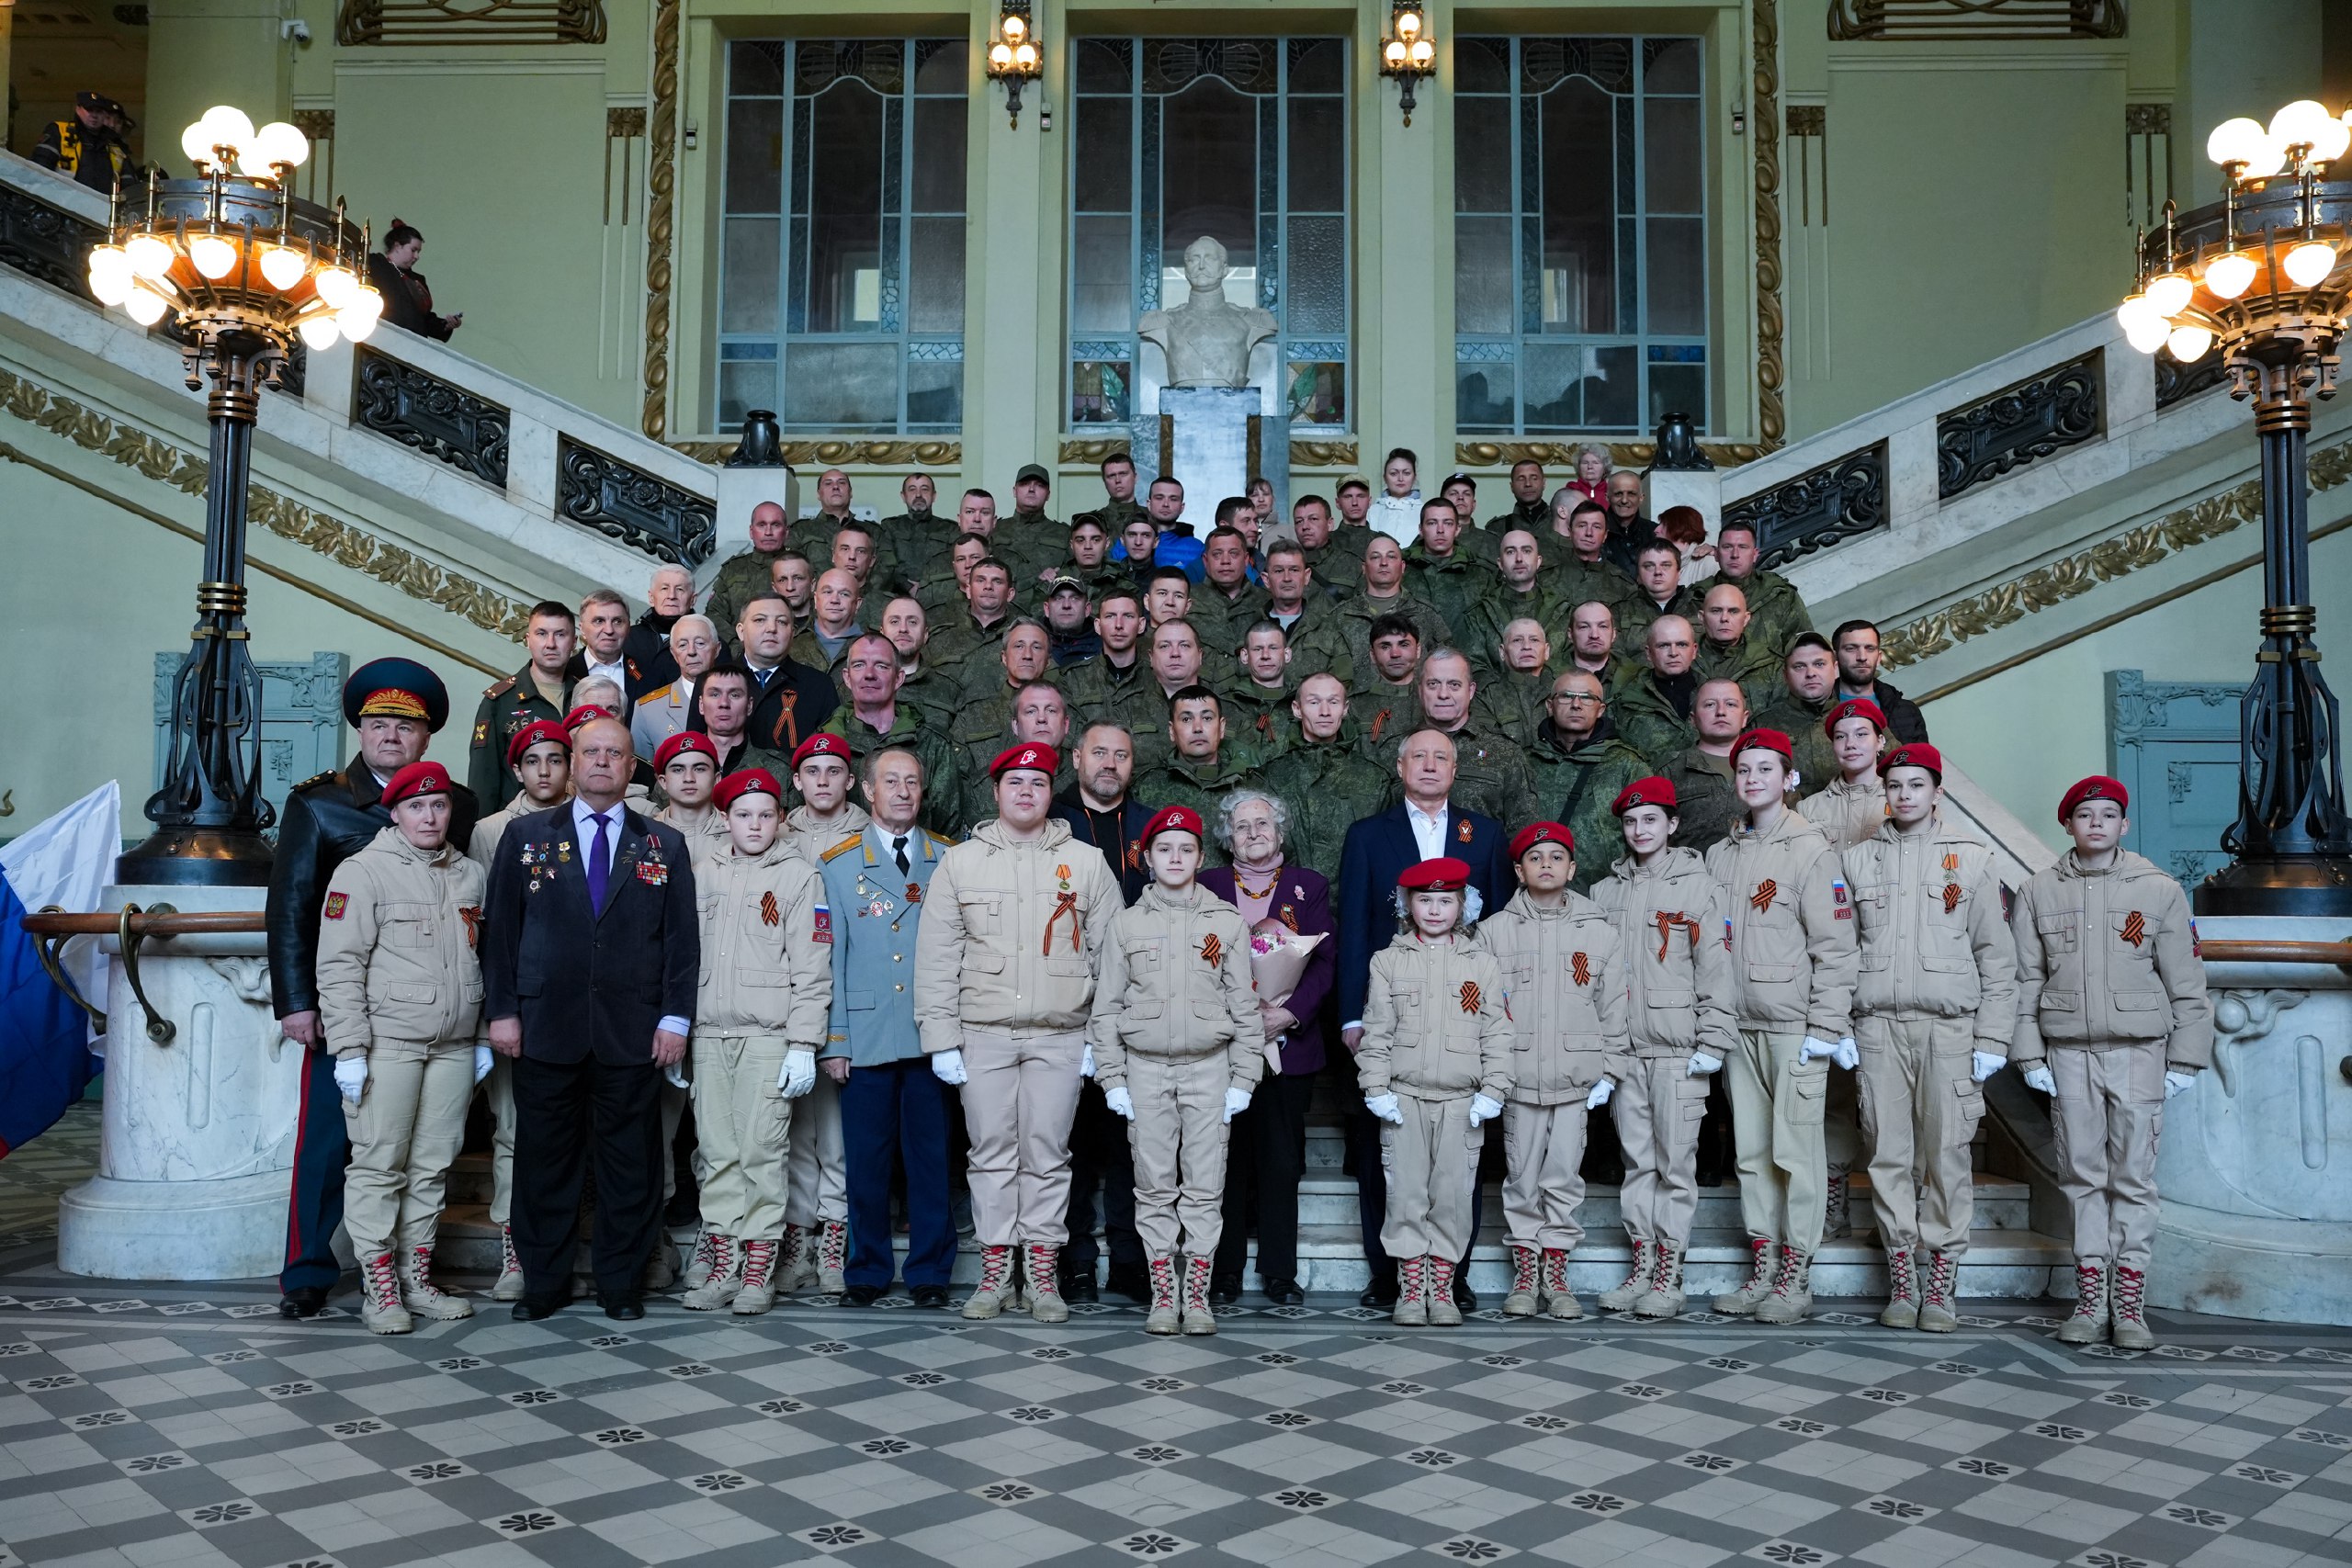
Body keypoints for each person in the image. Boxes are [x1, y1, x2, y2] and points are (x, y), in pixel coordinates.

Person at [271, 660, 480, 1321]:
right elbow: (294, 909)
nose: (391, 734)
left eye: (406, 725)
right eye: (379, 723)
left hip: (437, 1020)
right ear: (360, 730)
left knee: (422, 1153)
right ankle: (308, 1269)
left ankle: (405, 1274)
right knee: (335, 1144)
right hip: (348, 1013)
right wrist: (297, 1001)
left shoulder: (461, 806)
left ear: (426, 738)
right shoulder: (319, 801)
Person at [481, 717, 700, 1322]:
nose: (603, 761)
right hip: (544, 1025)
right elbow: (500, 932)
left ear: (633, 768)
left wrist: (676, 1020)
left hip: (633, 1030)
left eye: (616, 754)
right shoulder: (525, 835)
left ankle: (622, 1284)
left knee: (630, 1168)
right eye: (592, 751)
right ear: (574, 761)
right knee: (543, 1163)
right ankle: (543, 1284)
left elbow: (682, 943)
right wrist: (501, 1011)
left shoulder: (663, 844)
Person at [915, 744, 1125, 1323]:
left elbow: (1113, 959)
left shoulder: (1085, 862)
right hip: (982, 1035)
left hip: (1061, 1035)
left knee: (1048, 1153)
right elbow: (936, 957)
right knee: (989, 1153)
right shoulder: (961, 862)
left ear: (1050, 791)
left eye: (1037, 781)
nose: (1026, 791)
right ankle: (994, 1270)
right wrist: (941, 1040)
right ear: (997, 792)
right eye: (1015, 782)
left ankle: (1041, 1273)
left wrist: (1097, 1041)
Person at [2011, 775, 2211, 1349]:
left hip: (2139, 1051)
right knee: (2080, 1175)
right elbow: (2026, 980)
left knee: (2134, 1178)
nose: (2095, 823)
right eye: (2084, 814)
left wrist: (2186, 1061)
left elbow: (2188, 984)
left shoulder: (2159, 890)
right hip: (2068, 1053)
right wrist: (2027, 1054)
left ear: (2124, 825)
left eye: (2107, 815)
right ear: (2067, 825)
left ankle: (2129, 1302)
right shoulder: (2038, 891)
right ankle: (2090, 1295)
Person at [1841, 741, 2015, 1334]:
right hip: (1878, 1025)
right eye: (1895, 786)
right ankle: (1902, 1273)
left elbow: (1997, 955)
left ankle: (1940, 1279)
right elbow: (1842, 953)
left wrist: (1993, 1034)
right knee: (1887, 1151)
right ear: (1884, 794)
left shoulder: (1971, 860)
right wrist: (1840, 1024)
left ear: (1936, 792)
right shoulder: (1858, 862)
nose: (1905, 795)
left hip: (1950, 1028)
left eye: (1916, 785)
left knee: (1947, 1151)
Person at [1335, 730, 1510, 1311]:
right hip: (1392, 1017)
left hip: (1461, 1020)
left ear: (1456, 768)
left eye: (1441, 757)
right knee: (1386, 1158)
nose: (1430, 766)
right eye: (1419, 756)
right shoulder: (1367, 834)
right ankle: (1392, 1276)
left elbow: (1497, 931)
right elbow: (1355, 928)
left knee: (1456, 1169)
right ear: (1400, 765)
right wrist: (1351, 1015)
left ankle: (1450, 1277)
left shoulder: (1482, 834)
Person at [315, 760, 488, 1334]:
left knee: (433, 1165)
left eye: (439, 805)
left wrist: (483, 1035)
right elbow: (338, 967)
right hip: (387, 1044)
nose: (430, 815)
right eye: (417, 805)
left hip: (455, 1046)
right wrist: (349, 1048)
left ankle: (417, 1277)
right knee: (378, 1163)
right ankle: (380, 1284)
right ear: (395, 813)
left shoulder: (470, 875)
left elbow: (486, 957)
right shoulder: (362, 873)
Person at [1089, 807, 1265, 1334]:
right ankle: (1165, 1295)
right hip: (1145, 1072)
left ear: (1201, 857)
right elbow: (1106, 1010)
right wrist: (1113, 1079)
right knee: (1154, 1187)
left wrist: (1243, 1078)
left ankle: (1199, 1295)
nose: (1175, 858)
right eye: (1164, 849)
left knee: (1206, 1188)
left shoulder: (1226, 922)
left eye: (1186, 849)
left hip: (1209, 1070)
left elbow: (1245, 1007)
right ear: (1146, 859)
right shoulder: (1126, 923)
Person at [1704, 728, 1860, 1325]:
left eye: (1765, 768)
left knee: (1796, 1152)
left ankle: (1796, 1274)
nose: (1752, 778)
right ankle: (1764, 1266)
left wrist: (1827, 1023)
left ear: (1789, 779)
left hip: (1794, 1025)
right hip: (1739, 1028)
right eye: (1744, 769)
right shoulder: (1722, 854)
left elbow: (1837, 949)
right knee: (1752, 1153)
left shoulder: (1812, 850)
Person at [674, 769, 831, 1316]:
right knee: (716, 1154)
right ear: (726, 819)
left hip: (768, 1037)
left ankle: (757, 1270)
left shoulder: (798, 877)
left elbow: (813, 970)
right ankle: (723, 1263)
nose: (756, 824)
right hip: (708, 1035)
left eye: (766, 814)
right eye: (744, 814)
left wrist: (804, 1044)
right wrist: (677, 1027)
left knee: (762, 1153)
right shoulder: (700, 873)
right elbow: (680, 956)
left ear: (780, 819)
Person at [819, 749, 960, 1307]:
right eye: (891, 782)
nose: (902, 791)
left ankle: (929, 1271)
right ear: (867, 792)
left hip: (930, 1037)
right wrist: (834, 1040)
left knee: (932, 1162)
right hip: (866, 1035)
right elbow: (829, 959)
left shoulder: (948, 859)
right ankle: (867, 1270)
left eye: (913, 783)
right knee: (867, 1164)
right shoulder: (838, 863)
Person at [1591, 777, 1736, 1317]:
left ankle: (1670, 1275)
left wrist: (1714, 1038)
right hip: (1626, 1053)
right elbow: (1597, 979)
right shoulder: (1605, 894)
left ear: (1672, 825)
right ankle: (1642, 1266)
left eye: (1650, 819)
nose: (1639, 830)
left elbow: (1718, 968)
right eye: (1630, 822)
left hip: (1679, 1050)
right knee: (1637, 1163)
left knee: (1677, 1165)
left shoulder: (1698, 888)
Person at [1482, 822, 1630, 1321]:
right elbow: (1481, 1007)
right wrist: (1490, 1074)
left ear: (1572, 868)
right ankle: (1525, 1272)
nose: (1546, 865)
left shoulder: (1598, 932)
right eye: (1534, 858)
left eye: (1556, 857)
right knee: (1522, 1177)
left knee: (1564, 1176)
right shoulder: (1493, 932)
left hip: (1575, 1080)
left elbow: (1613, 1008)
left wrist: (1609, 1071)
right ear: (1519, 871)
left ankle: (1556, 1271)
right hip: (1519, 1080)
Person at [1356, 857, 1512, 1326]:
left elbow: (1498, 1033)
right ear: (1408, 905)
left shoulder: (1482, 964)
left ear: (1463, 905)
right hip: (1403, 1099)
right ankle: (1409, 1287)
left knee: (1452, 1194)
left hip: (1462, 1102)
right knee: (1405, 1194)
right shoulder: (1386, 961)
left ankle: (1441, 1286)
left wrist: (1494, 1089)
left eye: (1446, 901)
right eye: (1425, 900)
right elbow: (1377, 1031)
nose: (1435, 910)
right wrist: (1375, 1086)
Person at [1202, 791, 1333, 1307]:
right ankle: (1225, 1270)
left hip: (1288, 1045)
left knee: (1281, 1161)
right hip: (1222, 1046)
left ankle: (1280, 1271)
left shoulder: (1310, 886)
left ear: (1280, 833)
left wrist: (1287, 1013)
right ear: (1227, 838)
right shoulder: (1207, 885)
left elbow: (1324, 962)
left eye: (1264, 824)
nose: (1254, 832)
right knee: (1225, 1162)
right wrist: (1230, 1018)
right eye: (1242, 826)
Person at [463, 719, 569, 1299]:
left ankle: (564, 1240)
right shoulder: (489, 831)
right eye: (533, 760)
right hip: (514, 1005)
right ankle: (516, 1249)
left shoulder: (586, 821)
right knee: (513, 1130)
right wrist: (493, 1013)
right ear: (517, 768)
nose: (546, 770)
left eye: (556, 758)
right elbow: (489, 926)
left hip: (572, 1006)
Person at [1050, 722, 1152, 1303]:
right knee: (1073, 1144)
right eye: (1099, 753)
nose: (1110, 763)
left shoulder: (1149, 825)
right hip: (1065, 1005)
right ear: (1077, 758)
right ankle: (1075, 1260)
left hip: (1136, 1008)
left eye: (1122, 754)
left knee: (1128, 1143)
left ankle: (1132, 1259)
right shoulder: (1052, 818)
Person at [1259, 671, 1396, 881]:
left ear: (1345, 709)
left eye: (1333, 702)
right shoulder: (1272, 775)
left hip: (1354, 902)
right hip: (1289, 900)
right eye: (1314, 702)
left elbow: (1384, 852)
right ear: (1297, 709)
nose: (1325, 712)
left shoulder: (1374, 777)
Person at [819, 633, 959, 835]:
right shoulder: (825, 745)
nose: (869, 674)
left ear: (899, 678)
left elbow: (948, 830)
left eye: (881, 666)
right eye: (859, 665)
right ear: (847, 678)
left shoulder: (931, 744)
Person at [1522, 670, 1646, 893]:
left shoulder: (1626, 764)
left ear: (1601, 710)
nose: (1576, 704)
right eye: (1566, 696)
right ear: (1550, 706)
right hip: (1532, 898)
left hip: (1606, 898)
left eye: (1587, 697)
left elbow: (1648, 837)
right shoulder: (1524, 761)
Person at [469, 603, 579, 807]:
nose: (550, 644)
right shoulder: (500, 701)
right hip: (517, 824)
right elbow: (483, 777)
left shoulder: (586, 695)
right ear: (528, 640)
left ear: (574, 642)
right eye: (541, 634)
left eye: (560, 635)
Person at [1136, 686, 1263, 828]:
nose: (1198, 728)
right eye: (1186, 719)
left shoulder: (1253, 786)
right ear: (1172, 731)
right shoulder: (1145, 788)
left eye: (1207, 718)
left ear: (1222, 727)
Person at [1340, 534, 1453, 690]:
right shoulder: (1340, 616)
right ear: (1364, 568)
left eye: (1391, 557)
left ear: (1402, 567)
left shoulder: (1426, 614)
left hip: (1415, 709)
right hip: (1355, 710)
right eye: (1375, 557)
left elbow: (1448, 668)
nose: (1384, 563)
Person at [736, 591, 839, 754]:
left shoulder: (819, 685)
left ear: (793, 633)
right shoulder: (714, 683)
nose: (771, 628)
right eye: (760, 620)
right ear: (741, 631)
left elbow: (830, 752)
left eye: (782, 622)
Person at [1712, 521, 1812, 662]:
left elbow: (1804, 649)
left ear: (1754, 554)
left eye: (1743, 547)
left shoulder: (1781, 594)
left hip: (1771, 681)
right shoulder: (1697, 596)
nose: (1735, 554)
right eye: (1727, 547)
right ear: (1716, 554)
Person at [1757, 633, 1841, 795]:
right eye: (1799, 666)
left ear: (1835, 669)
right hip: (1788, 818)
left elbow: (1894, 772)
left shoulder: (1860, 719)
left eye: (1819, 664)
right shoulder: (1763, 726)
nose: (1810, 673)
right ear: (1785, 675)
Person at [1612, 615, 1701, 768]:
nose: (1673, 652)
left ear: (1694, 650)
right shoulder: (1626, 698)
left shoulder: (1716, 695)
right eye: (1663, 646)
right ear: (1648, 653)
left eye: (1681, 644)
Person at [1802, 698, 1890, 851]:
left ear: (1880, 741)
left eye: (1861, 734)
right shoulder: (1809, 809)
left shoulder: (1903, 800)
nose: (1850, 744)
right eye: (1840, 737)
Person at [630, 615, 721, 761]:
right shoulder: (647, 709)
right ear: (673, 654)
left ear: (717, 649)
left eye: (700, 643)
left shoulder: (738, 700)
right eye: (683, 645)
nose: (691, 651)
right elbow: (644, 772)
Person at [705, 502, 793, 644]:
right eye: (762, 525)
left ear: (787, 532)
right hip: (738, 655)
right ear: (751, 532)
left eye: (775, 525)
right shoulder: (733, 568)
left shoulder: (800, 568)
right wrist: (735, 646)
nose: (768, 532)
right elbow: (714, 614)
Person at [1832, 620, 1928, 742]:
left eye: (1870, 648)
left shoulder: (1906, 711)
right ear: (1835, 657)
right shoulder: (1819, 710)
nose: (1862, 657)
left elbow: (1922, 760)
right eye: (1851, 648)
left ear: (1879, 658)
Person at [368, 220, 461, 341]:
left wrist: (446, 325)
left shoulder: (418, 279)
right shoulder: (375, 263)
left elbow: (424, 320)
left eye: (418, 252)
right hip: (382, 337)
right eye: (413, 250)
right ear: (397, 246)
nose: (417, 256)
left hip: (414, 345)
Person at [34, 90, 134, 194]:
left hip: (102, 208)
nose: (94, 115)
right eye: (89, 109)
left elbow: (129, 189)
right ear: (78, 109)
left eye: (99, 111)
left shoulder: (116, 149)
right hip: (60, 205)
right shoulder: (59, 132)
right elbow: (38, 171)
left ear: (104, 115)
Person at [650, 731, 729, 864]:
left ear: (717, 779)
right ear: (663, 782)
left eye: (699, 769)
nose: (689, 778)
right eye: (678, 770)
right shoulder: (646, 834)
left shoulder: (737, 833)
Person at [622, 566, 695, 703]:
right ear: (651, 597)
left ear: (693, 599)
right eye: (664, 588)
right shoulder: (627, 638)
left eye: (680, 589)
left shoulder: (710, 643)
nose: (671, 596)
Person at [570, 590, 634, 706]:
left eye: (617, 621)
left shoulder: (650, 674)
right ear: (582, 629)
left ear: (628, 627)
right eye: (599, 621)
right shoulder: (565, 673)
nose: (609, 630)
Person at [1369, 447, 1423, 543]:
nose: (1400, 478)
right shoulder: (1372, 511)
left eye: (1406, 473)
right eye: (1393, 473)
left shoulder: (1425, 511)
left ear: (1414, 477)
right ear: (1385, 477)